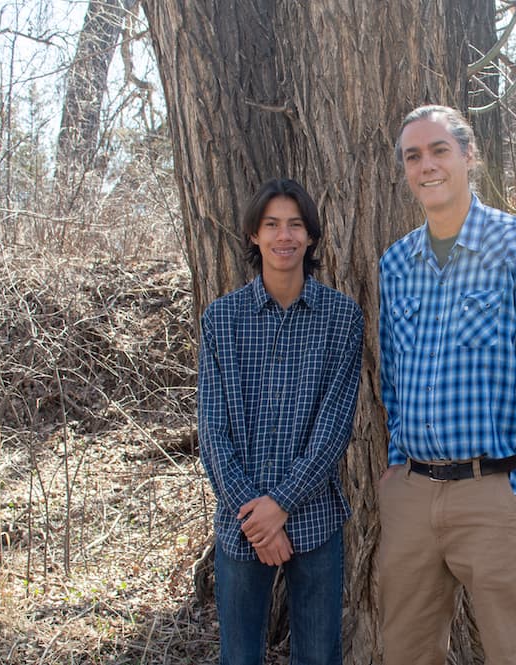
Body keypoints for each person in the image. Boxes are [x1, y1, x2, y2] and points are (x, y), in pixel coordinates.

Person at [377, 105, 516, 665]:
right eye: (414, 156)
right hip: (411, 494)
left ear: (468, 156)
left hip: (495, 492)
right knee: (407, 654)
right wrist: (395, 466)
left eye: (439, 150)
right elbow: (392, 372)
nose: (426, 165)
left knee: (513, 653)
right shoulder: (396, 263)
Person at [197, 177, 364, 665]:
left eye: (295, 225)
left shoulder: (341, 318)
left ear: (310, 236)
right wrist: (257, 516)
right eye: (271, 224)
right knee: (239, 657)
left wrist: (282, 505)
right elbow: (212, 431)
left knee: (317, 655)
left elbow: (335, 427)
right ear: (254, 235)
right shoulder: (222, 319)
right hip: (240, 521)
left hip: (313, 519)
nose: (283, 236)